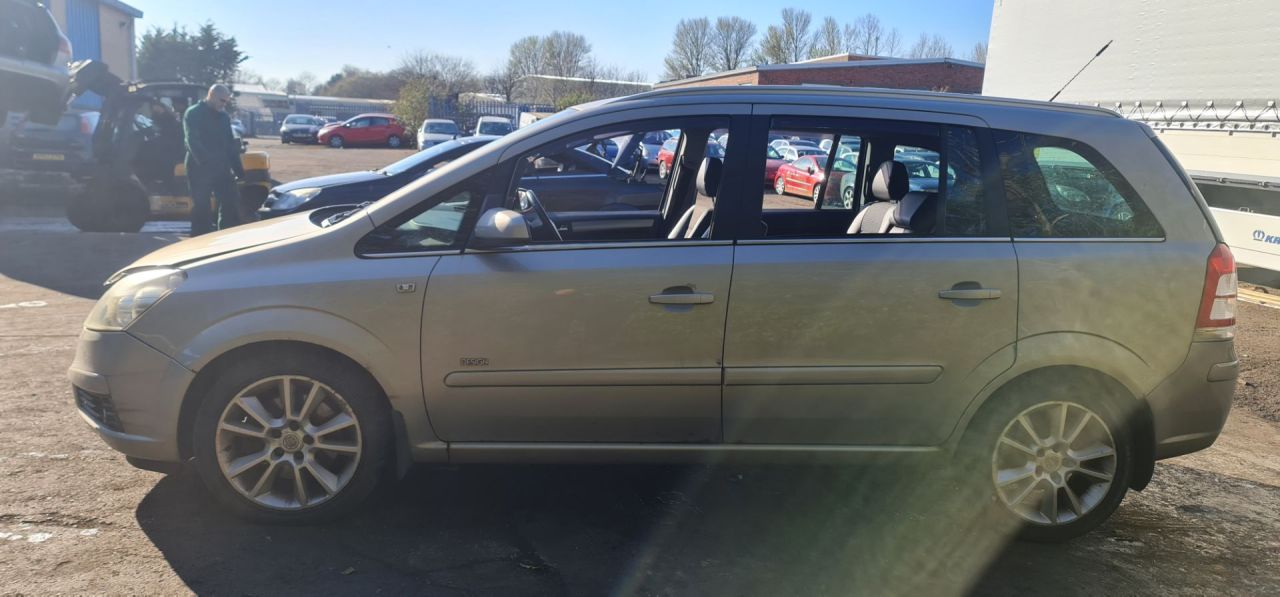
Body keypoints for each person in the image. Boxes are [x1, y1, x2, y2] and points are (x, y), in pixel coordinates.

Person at [183, 84, 243, 235]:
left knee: (230, 199)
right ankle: (200, 237)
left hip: (221, 167)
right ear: (211, 96)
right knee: (201, 206)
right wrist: (205, 163)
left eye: (226, 101)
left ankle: (226, 233)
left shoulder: (224, 117)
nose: (224, 104)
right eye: (222, 100)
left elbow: (229, 144)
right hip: (199, 168)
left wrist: (238, 169)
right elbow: (192, 140)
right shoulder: (193, 113)